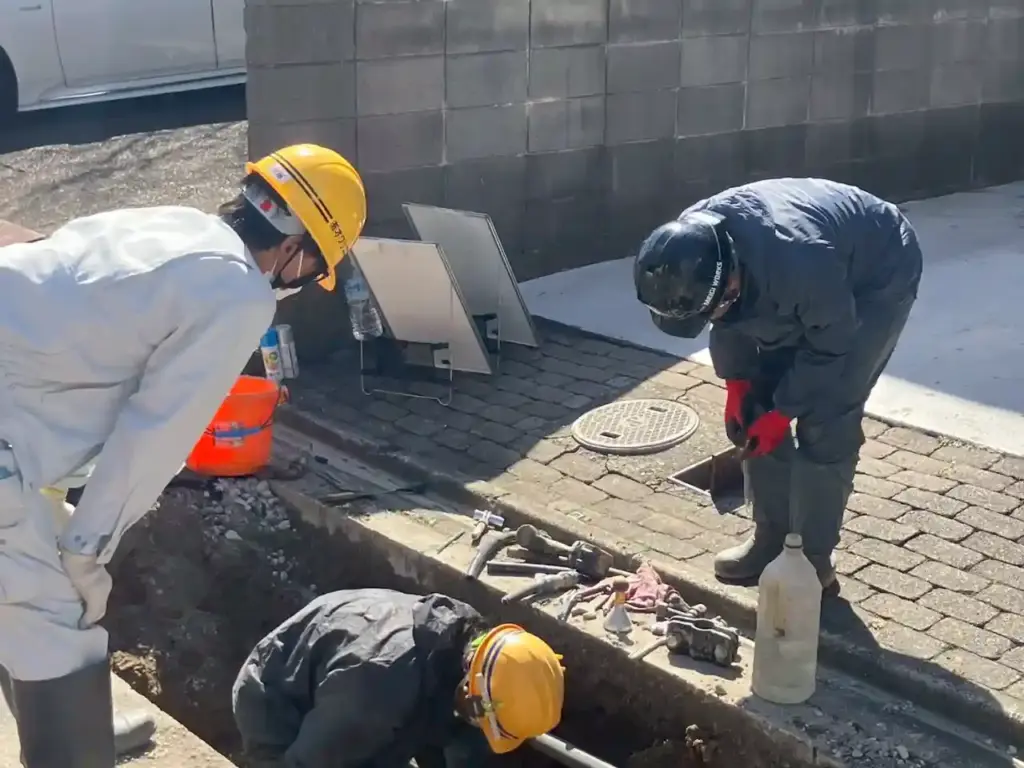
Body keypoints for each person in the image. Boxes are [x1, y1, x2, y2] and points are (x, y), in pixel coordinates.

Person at [0, 143, 367, 767]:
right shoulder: (238, 294)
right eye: (309, 273)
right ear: (294, 250)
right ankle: (70, 746)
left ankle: (71, 729)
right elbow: (156, 434)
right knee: (54, 611)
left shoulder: (176, 224)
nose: (298, 285)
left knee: (25, 591)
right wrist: (89, 550)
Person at [634, 178, 922, 593]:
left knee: (828, 415)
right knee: (755, 408)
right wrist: (737, 384)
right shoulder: (694, 245)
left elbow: (830, 345)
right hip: (798, 270)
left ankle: (810, 562)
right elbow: (726, 317)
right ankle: (770, 539)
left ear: (732, 275)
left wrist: (785, 411)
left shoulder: (802, 262)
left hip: (878, 270)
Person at [231, 589, 565, 767]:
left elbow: (449, 730)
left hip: (347, 684)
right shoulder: (373, 698)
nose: (480, 728)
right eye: (484, 721)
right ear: (471, 689)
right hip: (278, 708)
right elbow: (307, 763)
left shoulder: (465, 639)